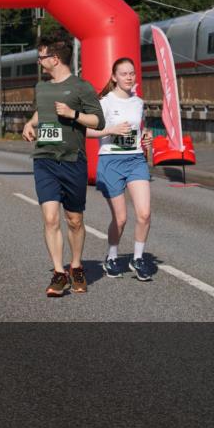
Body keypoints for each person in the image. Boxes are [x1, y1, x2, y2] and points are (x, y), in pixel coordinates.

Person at [21, 34, 105, 297]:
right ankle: (59, 272)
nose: (39, 60)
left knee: (75, 219)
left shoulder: (82, 87)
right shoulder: (41, 88)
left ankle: (76, 265)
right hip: (45, 160)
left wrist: (73, 115)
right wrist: (29, 123)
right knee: (50, 218)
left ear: (54, 59)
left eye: (42, 56)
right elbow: (42, 112)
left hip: (73, 160)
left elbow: (98, 121)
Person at [85, 57, 154, 281]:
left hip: (135, 160)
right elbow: (85, 131)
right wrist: (110, 130)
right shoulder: (105, 102)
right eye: (124, 74)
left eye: (132, 73)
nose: (129, 77)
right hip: (111, 161)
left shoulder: (138, 103)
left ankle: (138, 258)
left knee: (144, 213)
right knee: (121, 218)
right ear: (114, 77)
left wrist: (146, 137)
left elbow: (140, 129)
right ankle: (112, 257)